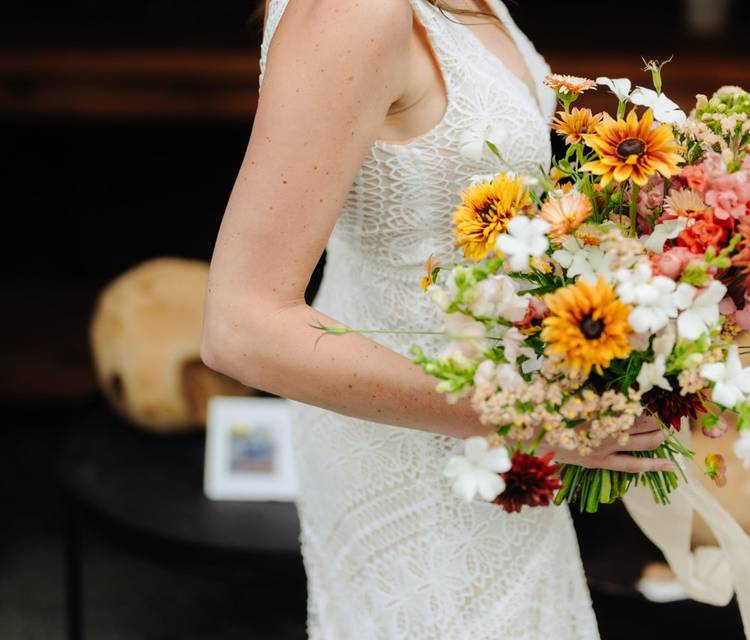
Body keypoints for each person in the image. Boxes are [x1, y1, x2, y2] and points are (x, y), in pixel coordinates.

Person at [201, 1, 672, 637]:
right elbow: (241, 328)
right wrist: (531, 420)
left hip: (492, 427)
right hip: (420, 444)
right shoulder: (353, 13)